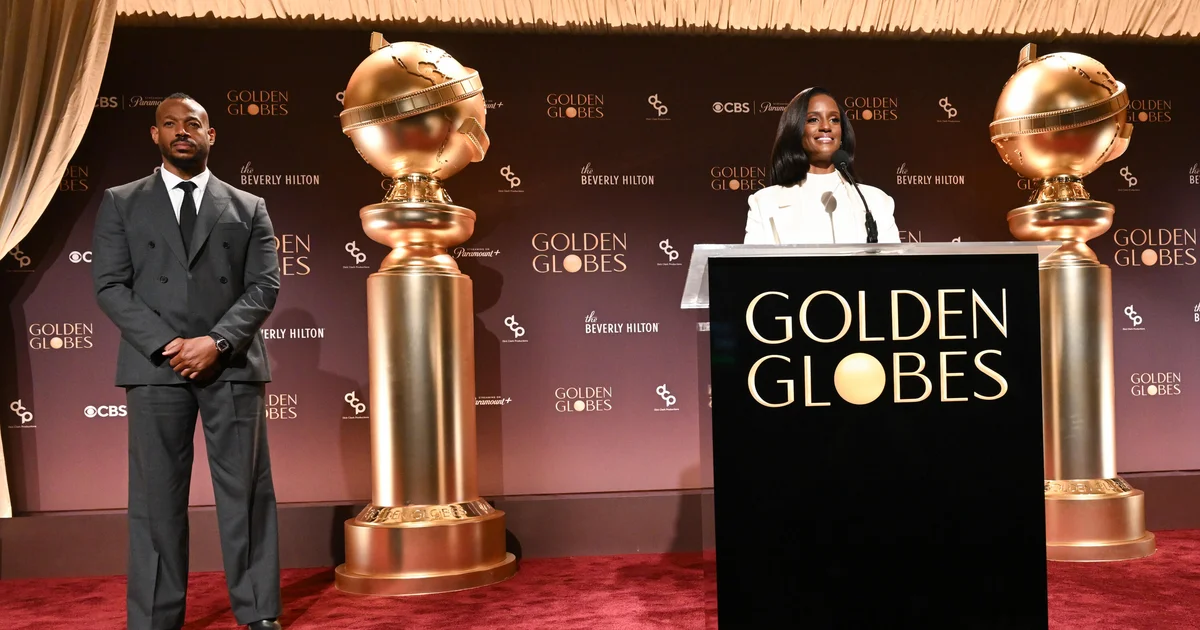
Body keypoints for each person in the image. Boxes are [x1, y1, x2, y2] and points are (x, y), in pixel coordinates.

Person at [92, 93, 284, 630]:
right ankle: (156, 616)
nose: (182, 131)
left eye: (193, 123)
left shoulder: (248, 206)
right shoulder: (121, 201)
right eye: (171, 123)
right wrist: (170, 345)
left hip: (232, 364)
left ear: (210, 135)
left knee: (246, 492)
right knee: (156, 497)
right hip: (155, 365)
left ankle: (258, 611)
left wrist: (216, 343)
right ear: (155, 135)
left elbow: (264, 286)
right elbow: (110, 285)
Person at [744, 86, 901, 244]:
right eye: (813, 119)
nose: (826, 127)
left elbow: (893, 259)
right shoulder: (764, 202)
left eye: (834, 120)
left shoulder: (876, 201)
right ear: (795, 130)